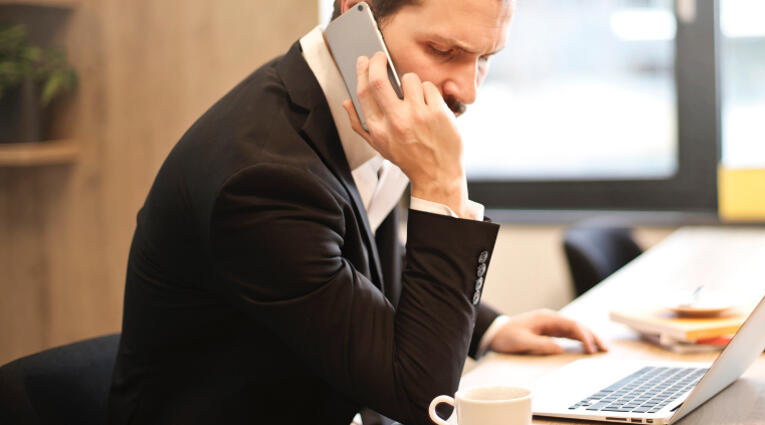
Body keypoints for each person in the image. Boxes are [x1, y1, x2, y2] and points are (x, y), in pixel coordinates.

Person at [108, 0, 607, 424]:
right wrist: (443, 187)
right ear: (354, 13)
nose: (467, 91)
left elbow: (358, 268)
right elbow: (421, 399)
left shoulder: (365, 110)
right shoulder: (262, 180)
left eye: (484, 59)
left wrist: (489, 328)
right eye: (443, 51)